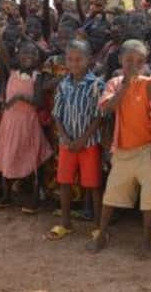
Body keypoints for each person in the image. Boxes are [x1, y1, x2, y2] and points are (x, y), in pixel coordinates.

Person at [88, 40, 151, 258]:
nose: (133, 65)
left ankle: (146, 239)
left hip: (147, 149)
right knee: (111, 194)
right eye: (129, 60)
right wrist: (126, 86)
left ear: (145, 63)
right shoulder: (114, 83)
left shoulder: (149, 84)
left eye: (139, 61)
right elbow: (108, 107)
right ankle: (101, 234)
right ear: (120, 60)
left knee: (150, 196)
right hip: (122, 150)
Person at [47, 40, 105, 240]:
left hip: (88, 145)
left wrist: (82, 139)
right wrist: (64, 137)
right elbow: (57, 115)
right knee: (64, 182)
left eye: (79, 59)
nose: (74, 63)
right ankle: (65, 223)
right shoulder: (63, 85)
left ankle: (98, 226)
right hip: (67, 145)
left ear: (89, 60)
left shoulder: (96, 85)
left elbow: (99, 116)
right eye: (70, 59)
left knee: (94, 185)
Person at [0, 37, 52, 213]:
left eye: (33, 53)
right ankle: (7, 194)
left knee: (32, 158)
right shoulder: (11, 72)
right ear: (17, 56)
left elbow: (39, 101)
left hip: (27, 124)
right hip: (10, 123)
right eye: (25, 52)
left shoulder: (37, 76)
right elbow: (2, 53)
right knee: (8, 156)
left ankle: (34, 197)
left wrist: (20, 97)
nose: (29, 56)